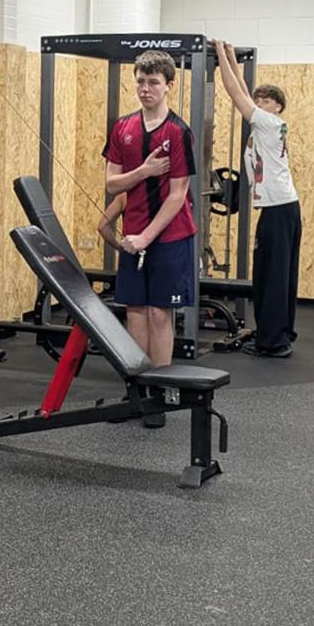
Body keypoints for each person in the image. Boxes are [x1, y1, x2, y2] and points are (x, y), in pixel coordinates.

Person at [102, 49, 198, 428]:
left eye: (153, 82)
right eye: (140, 81)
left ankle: (159, 393)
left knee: (160, 313)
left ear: (168, 86)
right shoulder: (123, 127)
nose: (145, 88)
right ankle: (136, 391)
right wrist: (143, 170)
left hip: (169, 235)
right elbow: (112, 183)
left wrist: (145, 237)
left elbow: (177, 195)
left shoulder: (178, 131)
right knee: (135, 312)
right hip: (134, 234)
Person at [212, 40, 301, 358]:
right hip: (283, 207)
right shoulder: (265, 124)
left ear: (279, 107)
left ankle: (274, 342)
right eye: (260, 99)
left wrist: (220, 54)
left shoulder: (267, 122)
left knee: (271, 276)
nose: (261, 102)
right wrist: (232, 58)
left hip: (279, 210)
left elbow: (237, 94)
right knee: (274, 274)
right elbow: (244, 93)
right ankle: (277, 333)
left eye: (268, 99)